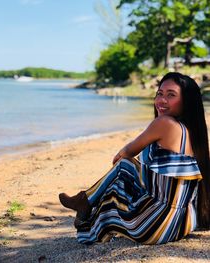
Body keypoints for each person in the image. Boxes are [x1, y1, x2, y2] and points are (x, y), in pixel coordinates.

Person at [59, 72, 210, 245]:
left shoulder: (165, 123)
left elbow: (124, 154)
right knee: (129, 170)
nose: (162, 100)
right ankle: (84, 201)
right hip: (181, 225)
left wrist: (128, 173)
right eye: (159, 93)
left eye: (171, 95)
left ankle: (85, 207)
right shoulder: (194, 134)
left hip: (155, 225)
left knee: (122, 170)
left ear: (187, 101)